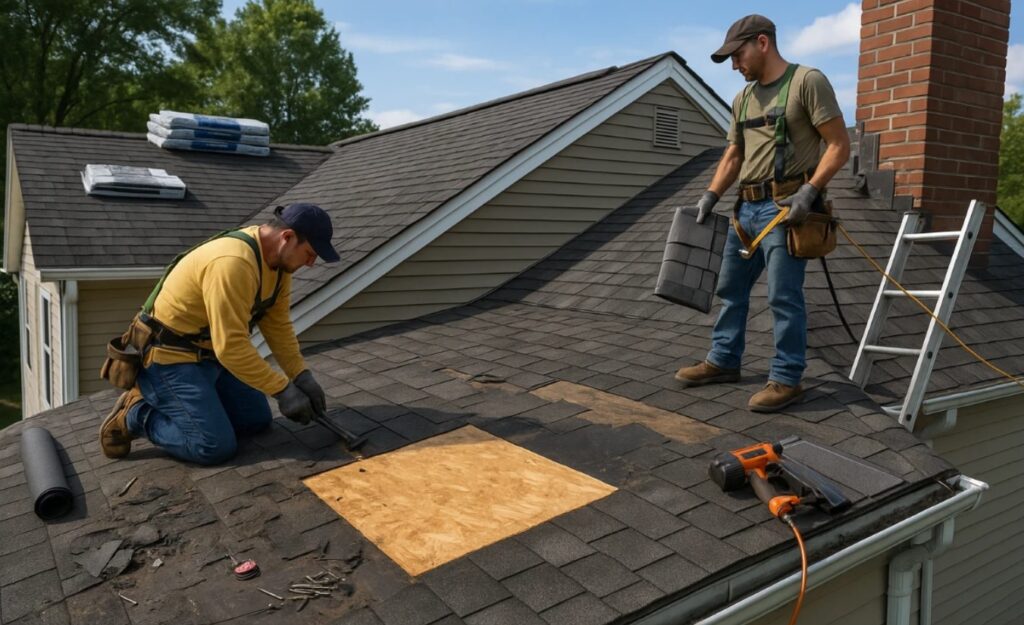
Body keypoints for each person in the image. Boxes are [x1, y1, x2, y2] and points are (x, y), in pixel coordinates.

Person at [674, 14, 850, 412]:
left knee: (783, 296)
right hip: (745, 210)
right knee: (729, 290)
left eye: (738, 55)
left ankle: (787, 378)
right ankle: (723, 361)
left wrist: (809, 192)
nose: (736, 65)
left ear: (763, 43)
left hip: (785, 208)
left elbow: (839, 146)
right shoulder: (743, 99)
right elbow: (733, 154)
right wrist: (710, 195)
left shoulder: (807, 82)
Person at [99, 203, 340, 465]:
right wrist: (283, 390)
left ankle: (201, 406)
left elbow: (277, 325)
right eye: (310, 254)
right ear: (287, 237)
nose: (311, 263)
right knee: (213, 446)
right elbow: (232, 347)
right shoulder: (233, 262)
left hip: (210, 355)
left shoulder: (280, 265)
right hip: (168, 359)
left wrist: (300, 375)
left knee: (256, 420)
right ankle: (136, 413)